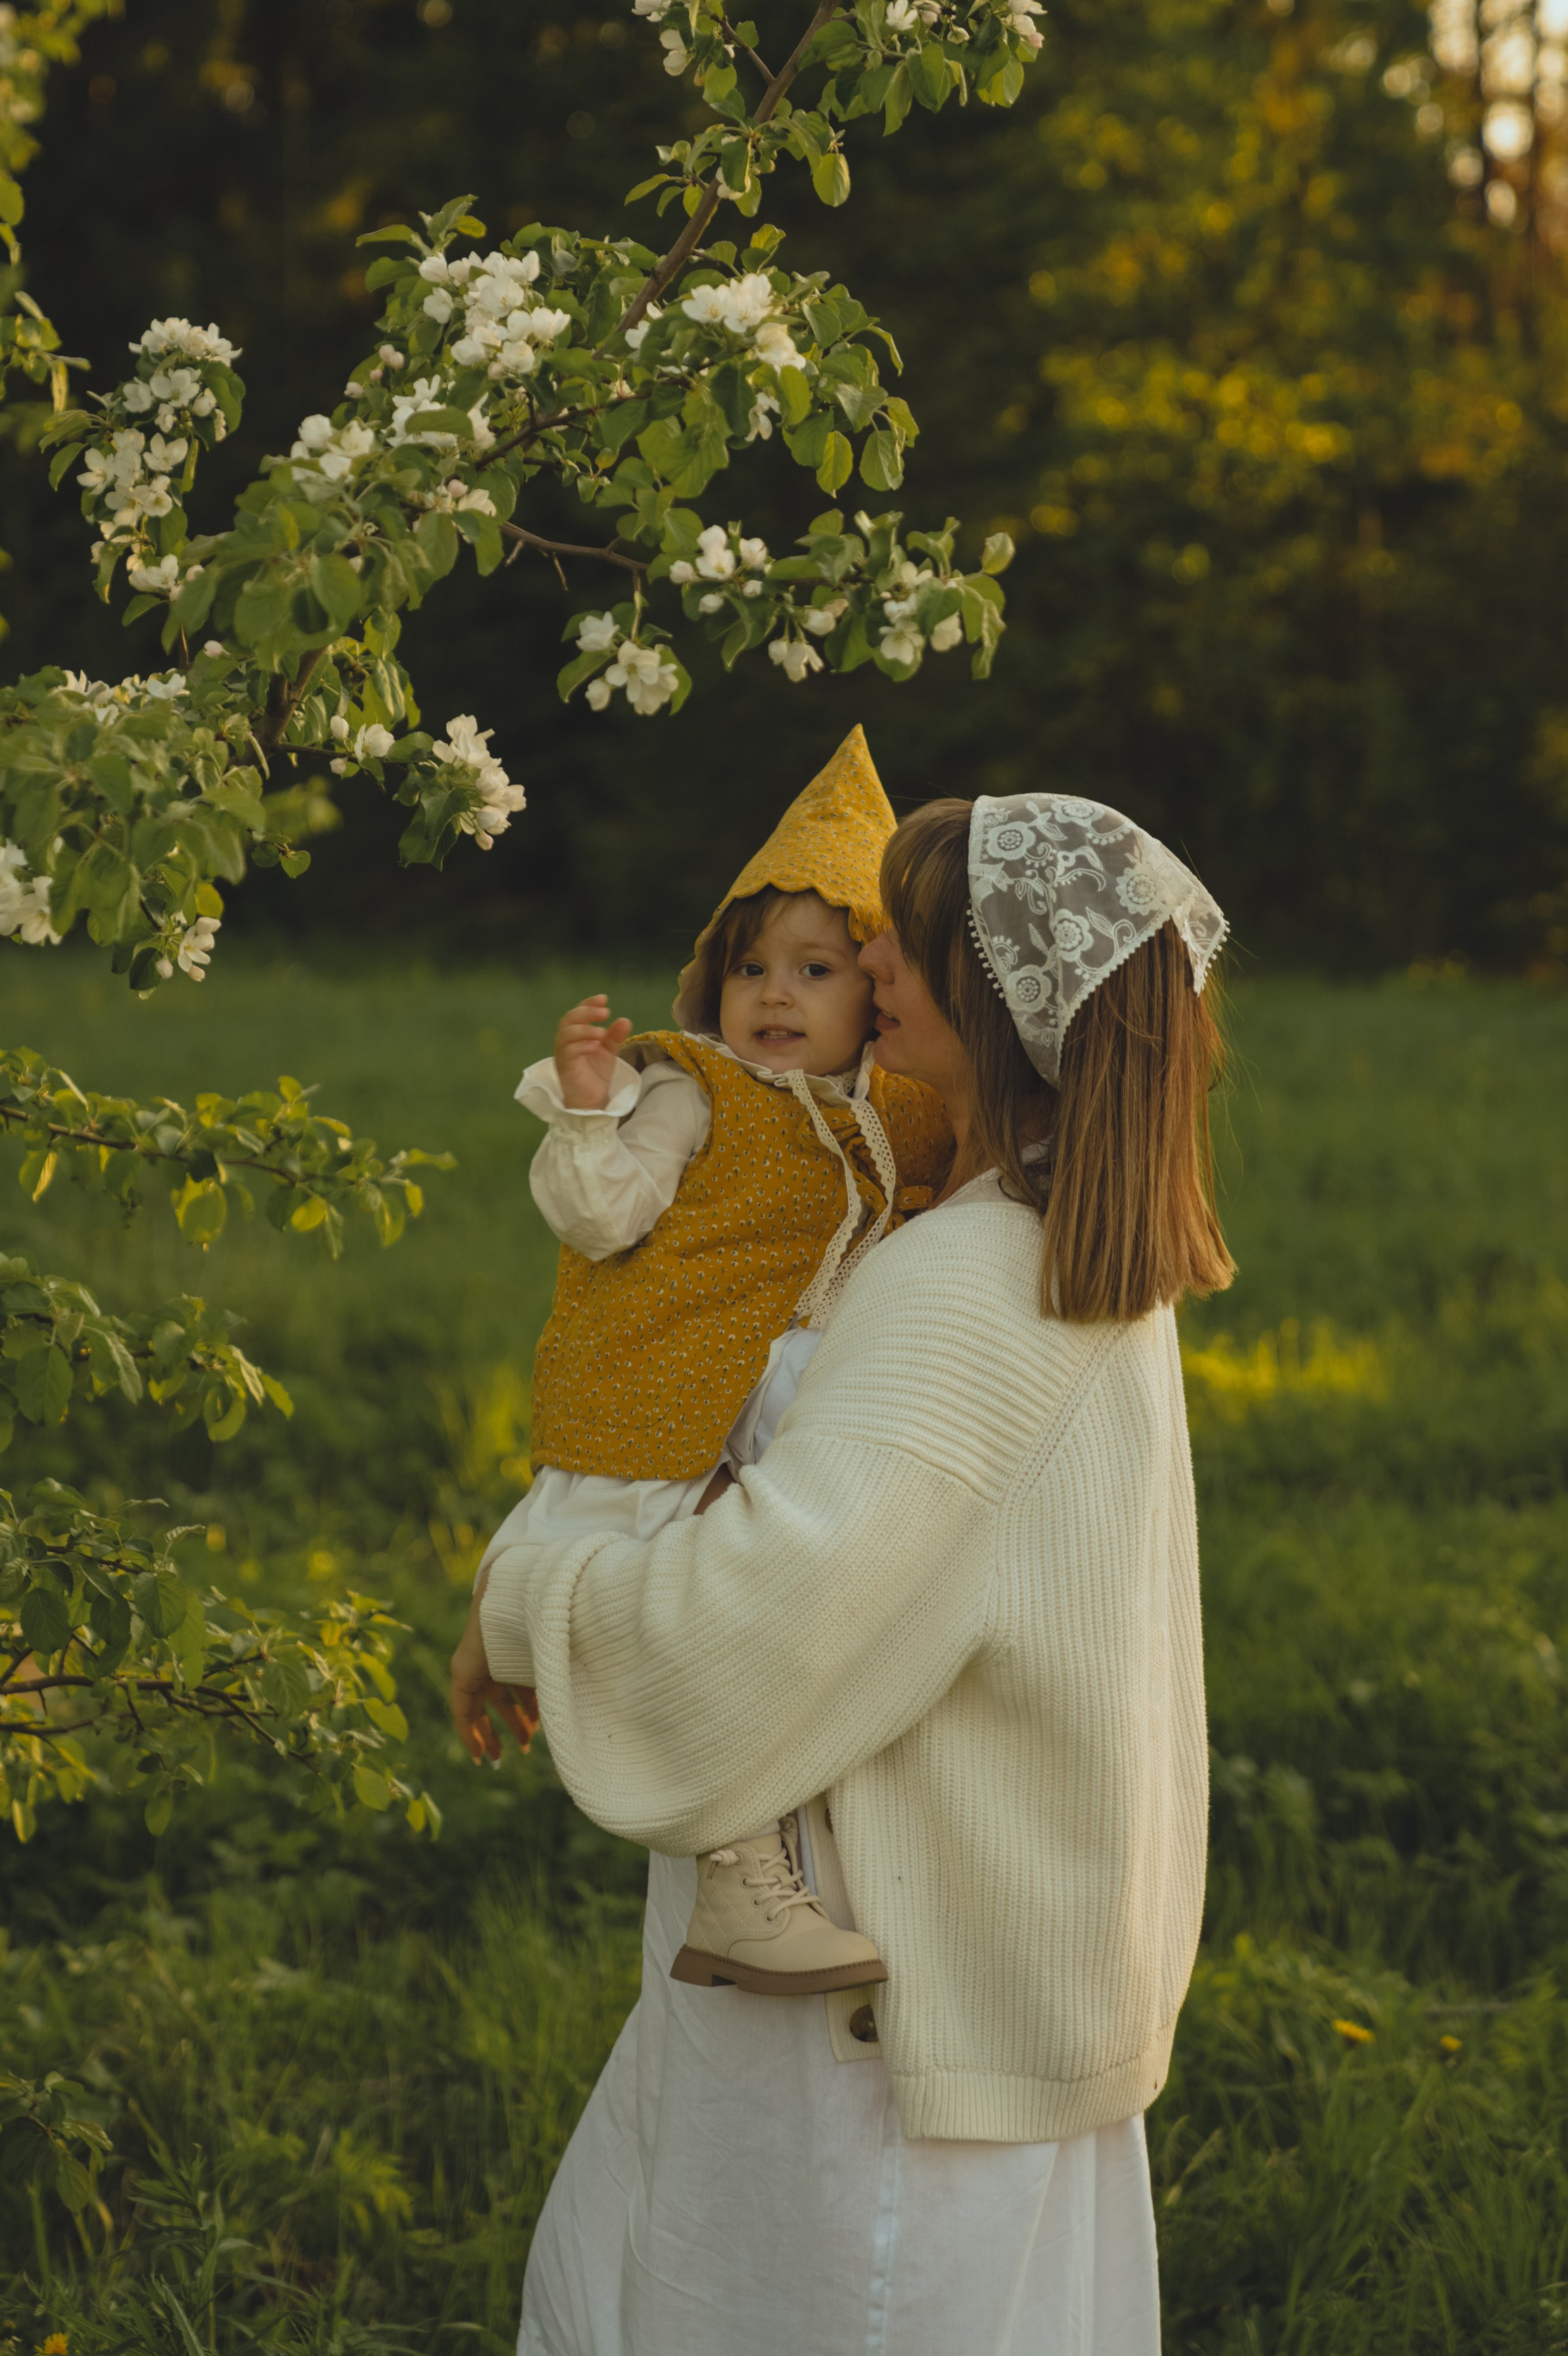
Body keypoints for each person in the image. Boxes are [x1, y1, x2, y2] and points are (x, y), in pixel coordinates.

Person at [450, 790, 1233, 2356]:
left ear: (990, 989)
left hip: (880, 1983)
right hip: (977, 1913)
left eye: (896, 933)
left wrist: (524, 1601)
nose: (861, 952)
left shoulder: (965, 1281)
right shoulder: (1048, 1231)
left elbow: (762, 1614)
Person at [476, 725, 954, 1993]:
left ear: (881, 993)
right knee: (698, 1635)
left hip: (798, 1412)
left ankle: (760, 1841)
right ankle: (738, 1879)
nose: (776, 996)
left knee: (761, 1624)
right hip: (674, 1393)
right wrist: (592, 1110)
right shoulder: (693, 1089)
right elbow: (603, 1213)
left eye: (814, 968)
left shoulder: (909, 1113)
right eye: (752, 967)